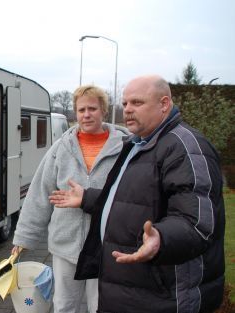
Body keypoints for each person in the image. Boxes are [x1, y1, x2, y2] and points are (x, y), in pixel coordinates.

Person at [50, 75, 225, 313]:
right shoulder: (136, 145)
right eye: (125, 104)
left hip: (163, 295)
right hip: (131, 289)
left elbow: (197, 221)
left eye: (137, 103)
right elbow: (128, 200)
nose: (128, 110)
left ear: (164, 104)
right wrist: (88, 198)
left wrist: (161, 239)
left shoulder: (185, 148)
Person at [12, 85, 129, 313]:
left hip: (104, 246)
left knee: (100, 305)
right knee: (65, 305)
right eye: (81, 109)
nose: (86, 114)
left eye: (92, 108)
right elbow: (39, 194)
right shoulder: (61, 148)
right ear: (75, 113)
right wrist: (23, 237)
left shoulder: (125, 147)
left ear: (103, 110)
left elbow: (130, 196)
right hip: (65, 245)